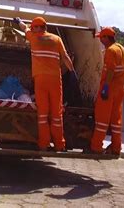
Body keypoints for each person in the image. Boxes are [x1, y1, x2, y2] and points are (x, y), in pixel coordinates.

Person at [14, 16, 75, 152]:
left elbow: (25, 28)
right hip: (55, 79)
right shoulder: (56, 39)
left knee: (42, 114)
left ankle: (44, 144)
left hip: (41, 79)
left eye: (33, 27)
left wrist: (18, 21)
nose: (32, 29)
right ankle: (60, 145)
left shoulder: (34, 37)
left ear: (36, 27)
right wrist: (72, 73)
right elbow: (65, 57)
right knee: (56, 113)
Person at [88, 27, 124, 157]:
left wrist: (105, 86)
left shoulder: (110, 50)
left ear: (106, 37)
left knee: (102, 119)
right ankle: (116, 147)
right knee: (116, 120)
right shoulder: (121, 48)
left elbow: (110, 70)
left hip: (109, 89)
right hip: (120, 88)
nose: (100, 40)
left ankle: (96, 147)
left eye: (101, 37)